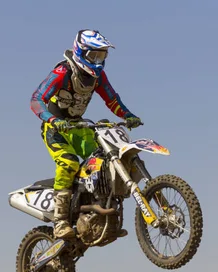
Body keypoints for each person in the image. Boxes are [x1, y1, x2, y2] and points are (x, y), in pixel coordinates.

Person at [30, 29, 142, 239]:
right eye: (94, 56)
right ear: (80, 52)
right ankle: (61, 222)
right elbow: (36, 99)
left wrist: (128, 115)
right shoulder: (63, 72)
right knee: (69, 163)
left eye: (102, 56)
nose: (98, 62)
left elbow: (111, 99)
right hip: (56, 129)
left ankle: (99, 210)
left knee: (105, 160)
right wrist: (53, 119)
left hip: (80, 128)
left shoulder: (98, 76)